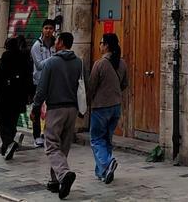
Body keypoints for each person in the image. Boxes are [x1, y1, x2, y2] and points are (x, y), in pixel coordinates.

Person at [32, 31, 84, 199]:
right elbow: (83, 86)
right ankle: (55, 181)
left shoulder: (51, 63)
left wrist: (35, 107)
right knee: (63, 146)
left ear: (61, 43)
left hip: (56, 108)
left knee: (52, 145)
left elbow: (41, 89)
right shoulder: (79, 63)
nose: (55, 42)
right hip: (72, 109)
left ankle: (63, 174)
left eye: (57, 40)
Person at [87, 33, 129, 184]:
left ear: (106, 45)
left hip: (101, 106)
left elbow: (91, 86)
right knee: (106, 139)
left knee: (97, 139)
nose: (100, 46)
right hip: (116, 106)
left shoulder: (99, 64)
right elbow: (124, 84)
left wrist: (86, 102)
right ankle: (103, 172)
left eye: (101, 43)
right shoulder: (122, 63)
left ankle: (107, 163)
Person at [0, 36, 32, 160]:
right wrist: (30, 95)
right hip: (18, 97)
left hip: (4, 96)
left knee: (1, 120)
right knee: (12, 122)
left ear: (6, 47)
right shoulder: (25, 61)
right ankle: (7, 146)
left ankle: (8, 143)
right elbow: (29, 79)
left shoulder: (3, 60)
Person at [30, 19, 57, 148]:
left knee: (51, 109)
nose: (48, 31)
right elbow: (39, 65)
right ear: (42, 29)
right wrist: (54, 59)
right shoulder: (36, 46)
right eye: (46, 28)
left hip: (53, 82)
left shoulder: (56, 44)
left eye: (50, 28)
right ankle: (36, 135)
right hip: (39, 82)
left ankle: (47, 133)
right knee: (36, 107)